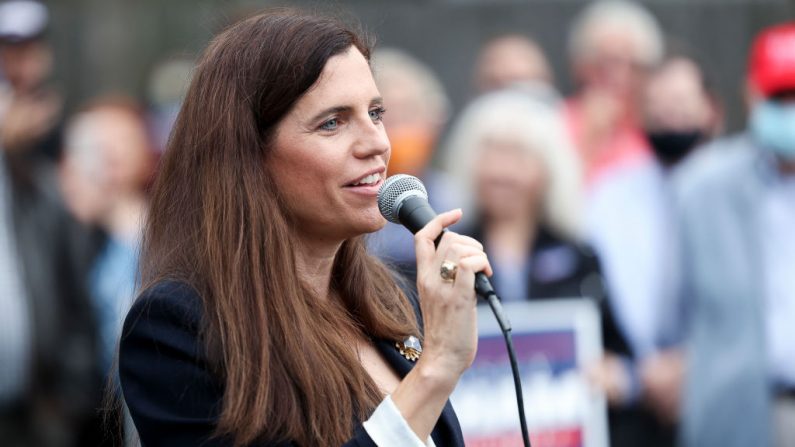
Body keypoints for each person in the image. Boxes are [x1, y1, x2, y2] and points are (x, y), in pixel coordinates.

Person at [118, 10, 491, 446]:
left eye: (375, 112)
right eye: (332, 122)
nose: (377, 143)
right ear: (249, 156)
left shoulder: (389, 299)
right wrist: (437, 368)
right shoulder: (179, 326)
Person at [441, 89, 652, 447]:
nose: (501, 170)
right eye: (490, 152)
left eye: (518, 155)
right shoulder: (444, 253)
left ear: (548, 167)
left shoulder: (579, 256)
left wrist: (616, 376)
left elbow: (625, 358)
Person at [675, 22, 795, 447]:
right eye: (781, 96)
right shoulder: (702, 187)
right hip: (737, 415)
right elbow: (673, 311)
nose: (790, 108)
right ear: (752, 95)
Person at [59, 97, 155, 373]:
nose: (66, 173)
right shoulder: (93, 244)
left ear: (115, 167)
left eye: (80, 158)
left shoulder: (149, 250)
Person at [367, 48, 456, 284]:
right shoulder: (352, 203)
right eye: (386, 117)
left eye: (408, 114)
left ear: (435, 121)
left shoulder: (456, 198)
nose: (399, 129)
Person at [564, 0, 664, 186]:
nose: (618, 76)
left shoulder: (658, 127)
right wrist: (590, 141)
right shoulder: (558, 123)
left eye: (633, 66)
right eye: (605, 63)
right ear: (580, 67)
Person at [473, 34, 554, 94]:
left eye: (517, 82)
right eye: (495, 85)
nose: (507, 94)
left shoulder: (561, 115)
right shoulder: (473, 114)